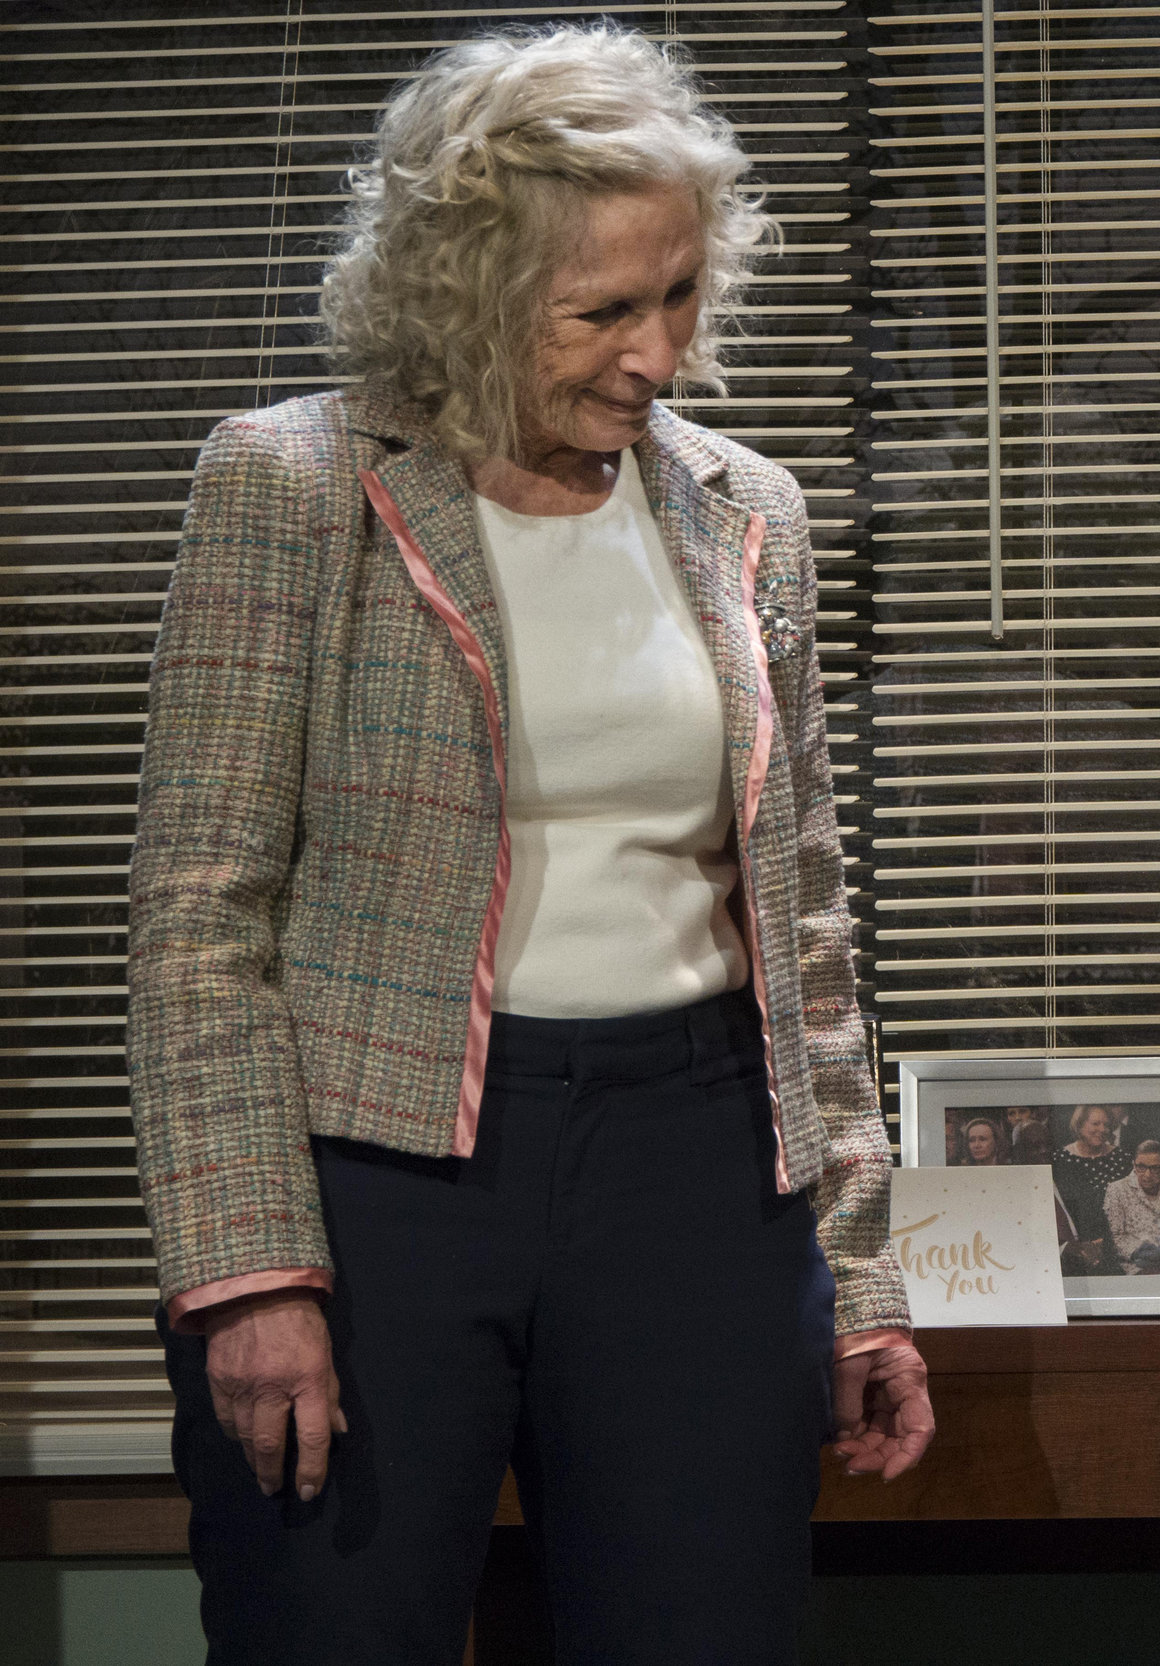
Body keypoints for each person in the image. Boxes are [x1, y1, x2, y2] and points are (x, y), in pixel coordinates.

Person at [124, 27, 933, 1665]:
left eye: (682, 294)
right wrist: (251, 1272)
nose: (660, 355)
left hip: (699, 1162)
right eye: (603, 311)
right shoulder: (294, 487)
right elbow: (200, 917)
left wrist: (859, 1277)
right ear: (469, 292)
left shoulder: (747, 510)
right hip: (381, 1180)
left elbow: (805, 928)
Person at [1052, 1104, 1129, 1268]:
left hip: (1116, 1242)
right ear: (1079, 1125)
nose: (1102, 1129)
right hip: (1075, 1245)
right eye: (1095, 1124)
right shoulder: (1060, 1159)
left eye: (1106, 1125)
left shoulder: (1121, 1157)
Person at [1102, 1140, 1160, 1275]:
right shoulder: (1117, 1190)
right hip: (1135, 1264)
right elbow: (1115, 1236)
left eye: (1155, 1168)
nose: (1147, 1175)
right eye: (1141, 1167)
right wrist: (1139, 1252)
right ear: (1133, 1164)